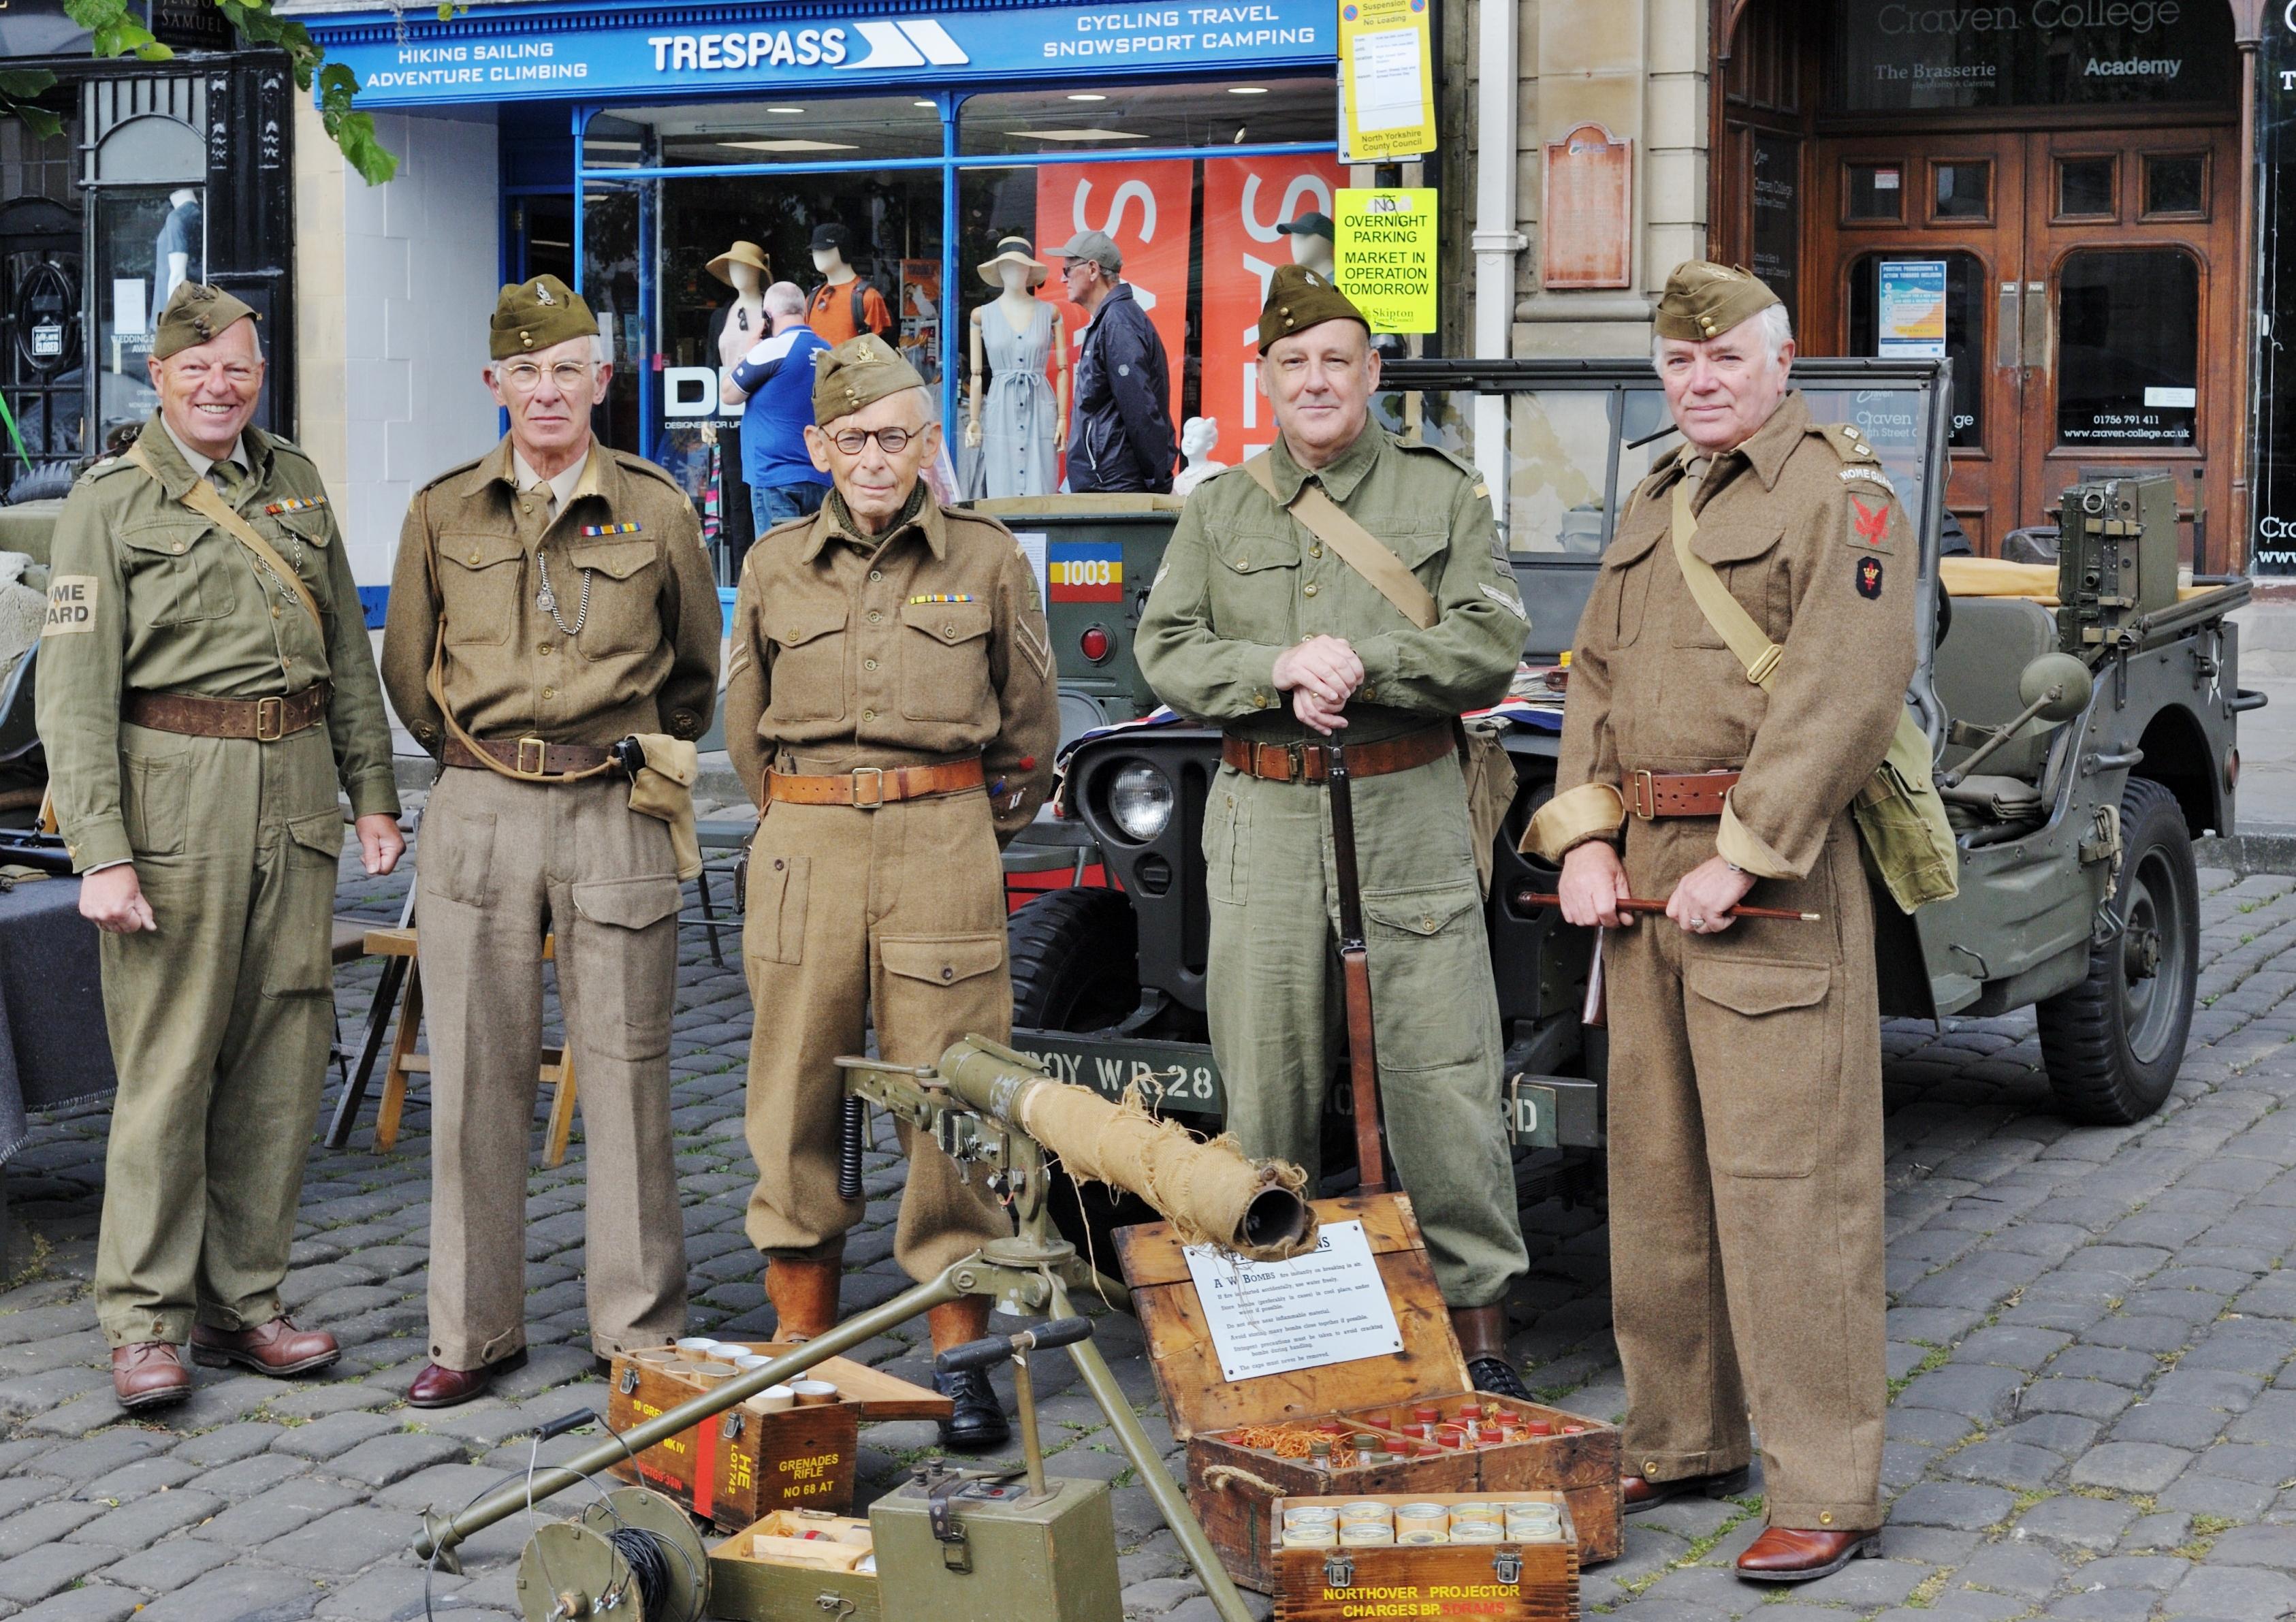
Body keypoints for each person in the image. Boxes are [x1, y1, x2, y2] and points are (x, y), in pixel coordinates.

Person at [1525, 261, 1909, 1583]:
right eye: (1680, 365)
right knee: (1659, 1179)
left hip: (1778, 875)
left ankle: (1830, 1482)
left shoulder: (1837, 492)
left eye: (1725, 361)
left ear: (1783, 363)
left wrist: (1743, 855)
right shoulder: (1654, 497)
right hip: (1644, 883)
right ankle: (1684, 1435)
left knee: (1792, 1192)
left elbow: (1846, 690)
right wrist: (1582, 835)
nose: (1699, 383)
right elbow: (1595, 678)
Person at [1136, 266, 1533, 1395]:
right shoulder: (1218, 507)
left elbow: (1491, 643)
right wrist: (1271, 668)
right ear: (1265, 378)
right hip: (1261, 812)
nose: (1315, 381)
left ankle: (1480, 1322)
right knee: (1262, 1073)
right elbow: (1165, 646)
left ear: (1371, 373)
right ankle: (1279, 1322)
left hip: (1403, 804)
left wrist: (1367, 662)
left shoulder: (1439, 493)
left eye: (1336, 361)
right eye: (1292, 363)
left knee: (1441, 1070)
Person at [38, 281, 404, 1410]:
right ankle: (145, 1318)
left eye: (239, 366)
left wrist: (373, 793)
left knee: (281, 1057)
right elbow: (74, 692)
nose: (220, 384)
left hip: (293, 792)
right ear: (160, 377)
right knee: (167, 1065)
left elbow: (345, 644)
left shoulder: (291, 479)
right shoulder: (107, 499)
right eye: (198, 368)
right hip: (170, 800)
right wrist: (100, 850)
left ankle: (246, 1298)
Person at [381, 275, 721, 1408]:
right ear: (494, 385)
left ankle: (637, 1331)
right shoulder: (442, 510)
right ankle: (472, 1331)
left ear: (602, 382)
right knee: (474, 1073)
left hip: (615, 805)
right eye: (524, 371)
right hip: (479, 809)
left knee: (627, 1073)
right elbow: (410, 676)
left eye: (567, 368)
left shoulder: (658, 506)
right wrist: (481, 764)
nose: (546, 390)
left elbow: (692, 677)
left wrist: (614, 756)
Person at [722, 334, 1057, 1449]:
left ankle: (958, 1356)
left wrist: (960, 821)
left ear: (930, 444)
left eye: (899, 438)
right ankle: (799, 1342)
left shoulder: (988, 557)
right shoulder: (772, 566)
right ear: (817, 446)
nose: (877, 459)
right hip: (806, 843)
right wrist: (803, 815)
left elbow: (1029, 729)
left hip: (940, 844)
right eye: (855, 439)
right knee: (792, 1091)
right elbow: (743, 728)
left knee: (953, 1097)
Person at [1057, 229, 1175, 494]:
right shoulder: (1112, 319)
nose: (1062, 278)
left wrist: (1157, 480)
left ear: (1092, 269)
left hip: (1113, 486)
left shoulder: (1118, 322)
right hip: (1109, 482)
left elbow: (1141, 409)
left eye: (1067, 269)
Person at [720, 280, 832, 558]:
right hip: (821, 477)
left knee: (781, 566)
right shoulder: (829, 352)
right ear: (804, 311)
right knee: (817, 564)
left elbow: (728, 394)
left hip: (775, 478)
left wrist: (749, 348)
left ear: (768, 316)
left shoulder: (773, 349)